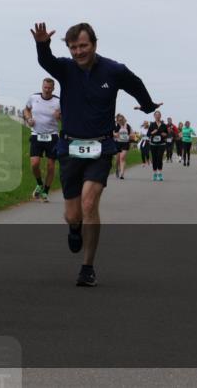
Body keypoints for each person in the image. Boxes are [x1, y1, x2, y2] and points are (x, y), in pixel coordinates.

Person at [31, 21, 160, 286]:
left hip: (101, 147)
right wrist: (42, 44)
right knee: (73, 214)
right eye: (73, 47)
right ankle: (75, 227)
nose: (78, 52)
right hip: (69, 146)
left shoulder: (113, 70)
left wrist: (147, 107)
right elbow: (47, 62)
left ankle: (87, 266)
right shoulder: (65, 70)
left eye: (83, 46)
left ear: (94, 44)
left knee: (90, 203)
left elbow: (136, 85)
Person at [24, 78, 61, 201]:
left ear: (53, 88)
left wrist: (59, 116)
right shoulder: (34, 98)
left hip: (52, 136)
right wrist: (29, 119)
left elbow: (65, 117)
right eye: (45, 87)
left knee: (51, 166)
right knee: (34, 164)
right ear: (42, 87)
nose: (47, 90)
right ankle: (39, 183)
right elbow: (27, 109)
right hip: (36, 134)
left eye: (49, 88)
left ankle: (45, 191)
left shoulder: (58, 101)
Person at [147, 111, 168, 181]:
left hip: (161, 144)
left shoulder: (164, 125)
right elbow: (148, 134)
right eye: (156, 115)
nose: (157, 116)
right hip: (153, 144)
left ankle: (160, 173)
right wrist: (153, 132)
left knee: (159, 158)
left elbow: (167, 134)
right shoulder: (152, 125)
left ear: (160, 116)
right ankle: (155, 173)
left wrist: (164, 134)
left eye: (159, 115)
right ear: (154, 116)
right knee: (154, 159)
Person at [113, 114, 132, 180]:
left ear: (124, 119)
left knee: (122, 157)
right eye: (119, 120)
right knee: (117, 160)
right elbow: (113, 133)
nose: (120, 121)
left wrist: (130, 136)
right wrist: (115, 134)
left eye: (121, 119)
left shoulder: (128, 126)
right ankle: (117, 169)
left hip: (125, 143)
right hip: (117, 143)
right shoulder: (116, 126)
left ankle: (122, 174)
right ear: (117, 120)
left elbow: (131, 134)